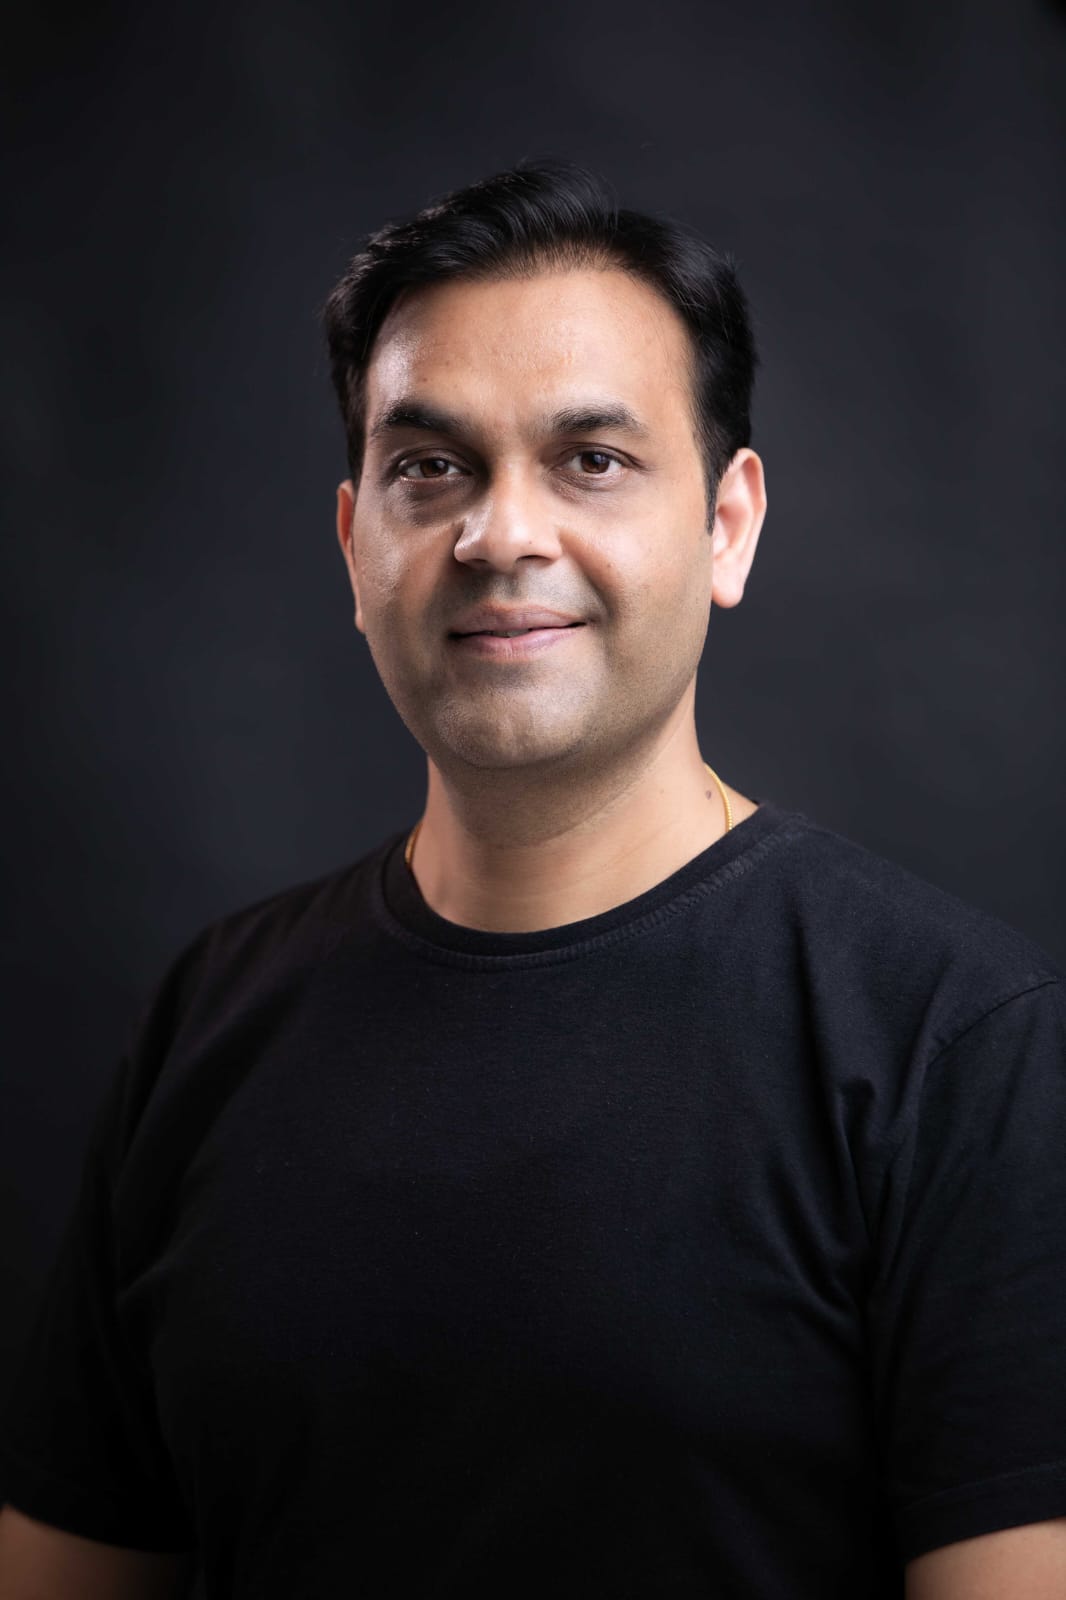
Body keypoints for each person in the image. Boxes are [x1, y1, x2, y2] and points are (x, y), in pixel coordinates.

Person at [0, 160, 1063, 1600]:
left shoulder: (957, 1042)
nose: (499, 535)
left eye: (592, 461)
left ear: (728, 525)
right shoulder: (211, 1016)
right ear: (354, 542)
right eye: (428, 468)